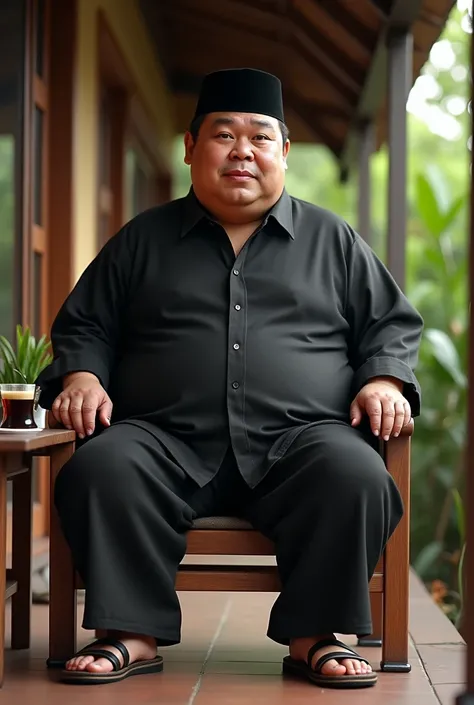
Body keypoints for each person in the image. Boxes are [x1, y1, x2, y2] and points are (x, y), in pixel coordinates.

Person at [37, 67, 423, 689]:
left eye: (260, 137)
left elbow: (391, 326)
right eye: (223, 135)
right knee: (100, 467)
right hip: (164, 440)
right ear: (191, 149)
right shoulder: (143, 239)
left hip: (300, 443)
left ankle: (313, 636)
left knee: (355, 475)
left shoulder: (334, 240)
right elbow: (86, 326)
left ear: (284, 153)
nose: (242, 151)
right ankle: (130, 632)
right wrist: (81, 376)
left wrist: (384, 382)